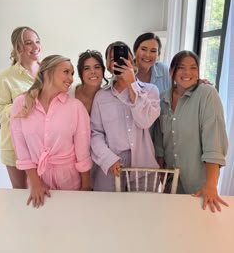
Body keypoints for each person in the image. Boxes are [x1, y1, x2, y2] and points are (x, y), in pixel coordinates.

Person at [10, 55, 92, 207]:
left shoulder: (76, 107)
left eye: (72, 73)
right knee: (41, 227)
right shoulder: (21, 103)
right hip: (37, 179)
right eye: (66, 72)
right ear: (48, 73)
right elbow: (21, 148)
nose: (71, 79)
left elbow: (83, 153)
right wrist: (35, 183)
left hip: (70, 181)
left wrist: (86, 186)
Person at [154, 50, 228, 212]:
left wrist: (211, 185)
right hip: (170, 183)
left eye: (193, 68)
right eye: (181, 67)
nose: (188, 72)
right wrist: (162, 178)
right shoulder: (162, 99)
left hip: (199, 184)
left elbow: (214, 142)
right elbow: (160, 142)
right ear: (172, 71)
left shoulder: (207, 94)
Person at [90, 41, 160, 191]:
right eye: (113, 58)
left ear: (132, 60)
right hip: (111, 166)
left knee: (141, 211)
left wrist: (132, 84)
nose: (118, 61)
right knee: (107, 211)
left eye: (123, 57)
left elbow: (144, 121)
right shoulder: (101, 96)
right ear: (108, 65)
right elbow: (95, 133)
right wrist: (108, 160)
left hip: (143, 166)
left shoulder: (150, 91)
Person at [0, 26, 41, 188]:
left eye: (37, 41)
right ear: (17, 48)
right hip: (14, 147)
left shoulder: (48, 73)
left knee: (45, 193)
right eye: (29, 43)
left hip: (41, 145)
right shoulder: (5, 77)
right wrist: (23, 103)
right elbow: (0, 113)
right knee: (20, 196)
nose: (35, 47)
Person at [75, 50, 108, 114]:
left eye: (97, 67)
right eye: (87, 68)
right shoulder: (69, 93)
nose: (93, 71)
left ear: (103, 70)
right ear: (80, 73)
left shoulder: (109, 97)